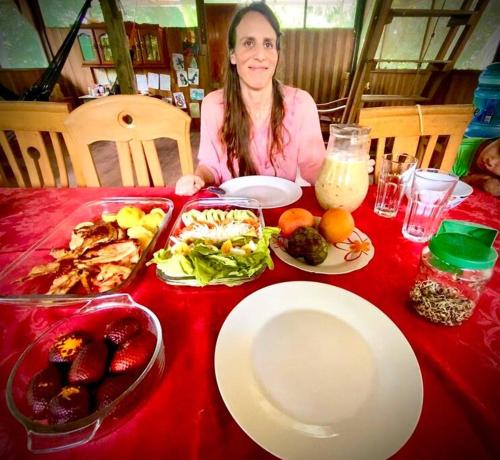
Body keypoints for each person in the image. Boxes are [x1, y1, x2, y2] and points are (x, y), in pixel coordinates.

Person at [175, 1, 326, 195]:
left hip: (282, 214)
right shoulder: (213, 105)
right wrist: (198, 179)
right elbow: (210, 166)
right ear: (232, 55)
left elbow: (313, 166)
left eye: (268, 44)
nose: (260, 55)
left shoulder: (301, 104)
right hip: (232, 217)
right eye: (248, 43)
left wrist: (341, 172)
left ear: (277, 54)